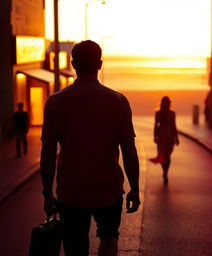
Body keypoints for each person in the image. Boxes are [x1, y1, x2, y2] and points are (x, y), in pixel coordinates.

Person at [40, 40, 140, 256]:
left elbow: (47, 152)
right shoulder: (118, 101)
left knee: (75, 247)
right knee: (109, 237)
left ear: (73, 64)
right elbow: (129, 150)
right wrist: (135, 187)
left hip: (71, 190)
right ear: (100, 64)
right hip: (108, 188)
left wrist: (47, 192)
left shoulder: (56, 102)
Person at [150, 96, 179, 185]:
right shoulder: (171, 113)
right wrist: (176, 138)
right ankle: (165, 173)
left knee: (163, 156)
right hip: (169, 137)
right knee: (167, 156)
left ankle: (165, 172)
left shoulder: (158, 113)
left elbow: (156, 125)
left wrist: (155, 136)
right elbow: (174, 126)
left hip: (163, 137)